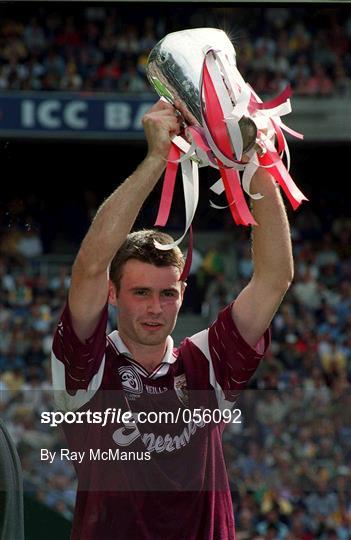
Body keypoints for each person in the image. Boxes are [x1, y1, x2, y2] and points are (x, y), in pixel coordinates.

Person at [51, 99, 294, 539]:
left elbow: (274, 278)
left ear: (183, 295)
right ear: (112, 293)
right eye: (140, 292)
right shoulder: (87, 367)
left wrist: (254, 159)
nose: (154, 307)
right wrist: (155, 161)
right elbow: (88, 267)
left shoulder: (205, 364)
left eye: (167, 293)